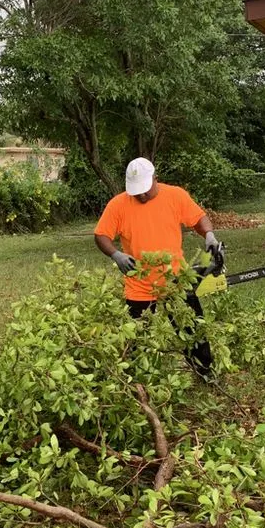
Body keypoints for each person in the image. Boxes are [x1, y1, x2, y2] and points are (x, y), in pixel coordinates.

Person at [94, 157, 224, 376]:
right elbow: (101, 235)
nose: (142, 196)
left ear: (155, 178)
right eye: (137, 192)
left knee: (192, 330)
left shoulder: (175, 195)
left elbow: (199, 218)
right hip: (139, 284)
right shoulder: (118, 204)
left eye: (145, 190)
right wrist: (116, 254)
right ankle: (136, 380)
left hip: (177, 280)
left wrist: (209, 236)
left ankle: (205, 372)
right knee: (136, 338)